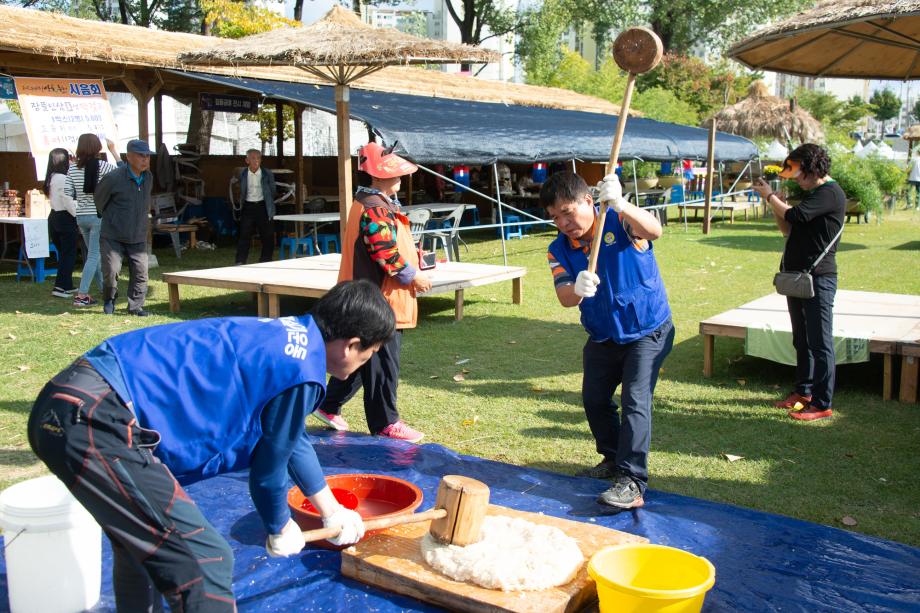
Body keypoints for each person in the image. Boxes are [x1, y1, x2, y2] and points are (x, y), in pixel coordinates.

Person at [28, 279, 391, 612]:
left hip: (72, 402)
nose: (366, 362)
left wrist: (331, 511)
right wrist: (280, 525)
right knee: (206, 561)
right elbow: (268, 472)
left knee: (142, 548)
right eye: (369, 354)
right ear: (351, 345)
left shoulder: (289, 338)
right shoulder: (303, 372)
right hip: (95, 420)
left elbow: (290, 438)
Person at [540, 171, 674, 510]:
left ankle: (632, 480)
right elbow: (565, 297)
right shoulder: (558, 249)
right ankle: (613, 458)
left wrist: (622, 204)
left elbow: (654, 230)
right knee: (594, 399)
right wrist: (577, 288)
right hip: (602, 335)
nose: (563, 223)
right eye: (555, 217)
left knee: (635, 399)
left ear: (589, 200)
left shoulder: (619, 221)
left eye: (567, 212)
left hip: (647, 330)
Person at [315, 141, 431, 442]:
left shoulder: (374, 203)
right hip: (379, 299)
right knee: (384, 361)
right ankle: (385, 422)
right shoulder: (374, 208)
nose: (401, 177)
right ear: (380, 175)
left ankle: (328, 404)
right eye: (396, 172)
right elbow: (385, 253)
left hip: (368, 296)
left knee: (363, 356)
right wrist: (414, 277)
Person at [753, 144, 845, 421]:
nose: (795, 179)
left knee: (820, 342)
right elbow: (788, 229)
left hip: (819, 279)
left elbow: (796, 215)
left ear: (810, 168)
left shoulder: (830, 193)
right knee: (802, 340)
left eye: (797, 173)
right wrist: (775, 205)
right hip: (798, 279)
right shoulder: (815, 195)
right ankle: (803, 393)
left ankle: (821, 403)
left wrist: (770, 197)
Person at [94, 139, 153, 316]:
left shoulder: (148, 177)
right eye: (140, 155)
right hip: (113, 234)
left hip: (138, 234)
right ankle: (109, 299)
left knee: (141, 272)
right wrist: (113, 218)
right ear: (129, 157)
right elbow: (99, 200)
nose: (145, 159)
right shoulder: (113, 178)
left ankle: (136, 306)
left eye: (147, 156)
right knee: (111, 271)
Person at [67, 133, 120, 307]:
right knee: (93, 256)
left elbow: (68, 192)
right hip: (98, 216)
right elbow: (123, 172)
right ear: (98, 147)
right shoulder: (103, 166)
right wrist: (113, 151)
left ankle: (105, 289)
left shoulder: (72, 168)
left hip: (81, 216)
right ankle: (82, 295)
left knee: (93, 257)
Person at [45, 148, 80, 299]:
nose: (71, 160)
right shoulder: (63, 178)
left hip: (54, 217)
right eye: (69, 158)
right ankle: (60, 287)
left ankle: (67, 284)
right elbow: (68, 201)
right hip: (65, 218)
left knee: (65, 253)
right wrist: (79, 216)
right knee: (68, 254)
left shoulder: (52, 177)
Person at [235, 149, 277, 265]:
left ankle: (266, 260)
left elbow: (273, 190)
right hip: (248, 206)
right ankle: (240, 260)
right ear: (247, 160)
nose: (256, 161)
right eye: (253, 158)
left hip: (263, 206)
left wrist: (268, 202)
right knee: (244, 234)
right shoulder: (243, 173)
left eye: (258, 158)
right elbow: (239, 189)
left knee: (267, 235)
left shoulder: (267, 173)